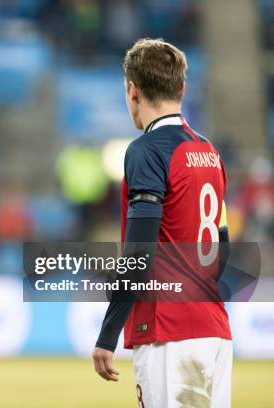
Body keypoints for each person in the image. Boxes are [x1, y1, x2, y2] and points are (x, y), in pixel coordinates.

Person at [92, 39, 232, 407]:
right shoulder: (210, 152)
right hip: (214, 330)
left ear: (132, 90)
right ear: (182, 88)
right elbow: (223, 247)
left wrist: (108, 334)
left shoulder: (146, 150)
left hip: (169, 334)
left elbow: (140, 251)